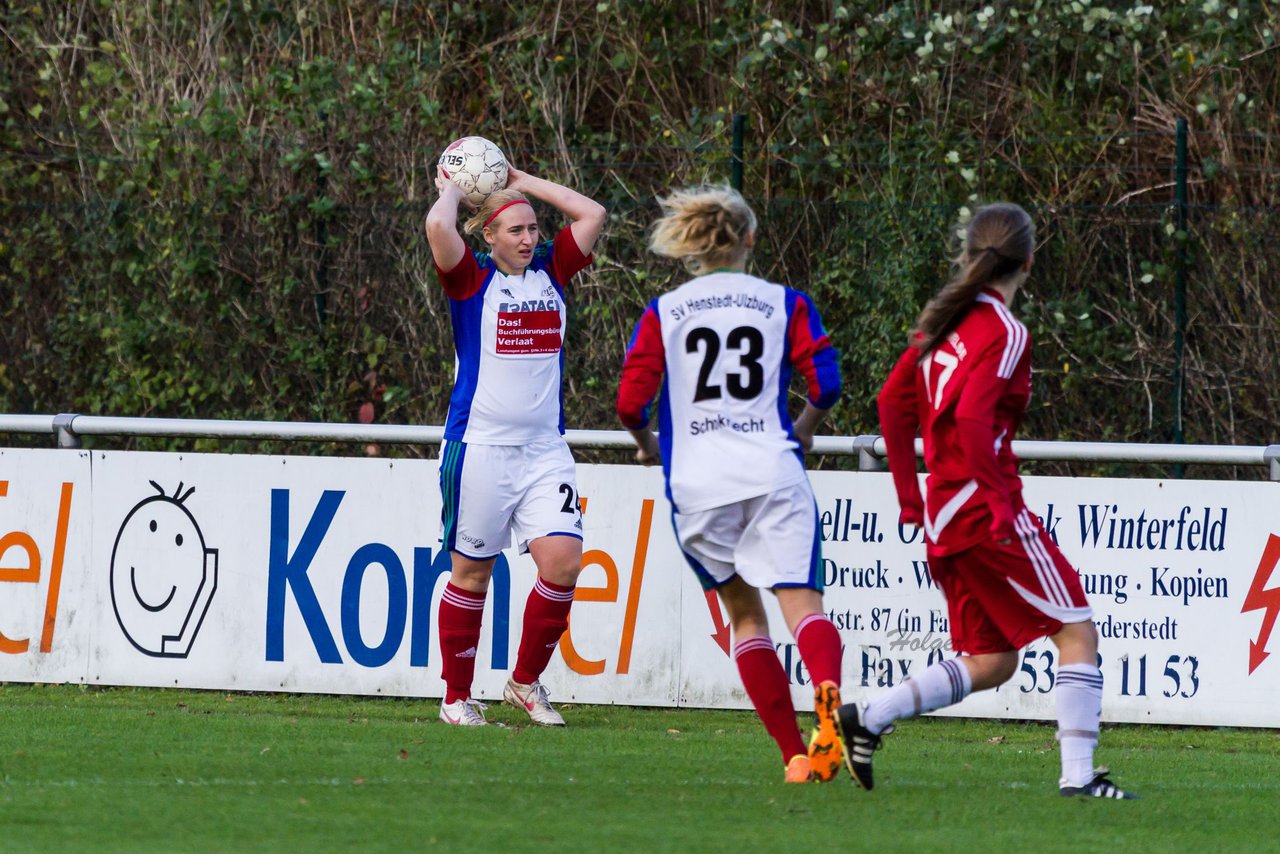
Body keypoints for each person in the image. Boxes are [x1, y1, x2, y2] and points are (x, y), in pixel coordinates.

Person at [838, 202, 1135, 798]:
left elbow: (892, 402)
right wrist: (999, 507)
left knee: (993, 660)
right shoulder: (1005, 330)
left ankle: (868, 718)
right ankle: (1079, 778)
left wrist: (908, 496)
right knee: (1077, 632)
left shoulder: (941, 326)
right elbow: (973, 420)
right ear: (1029, 260)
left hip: (947, 517)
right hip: (985, 511)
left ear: (970, 252)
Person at [616, 186, 846, 784]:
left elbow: (629, 402)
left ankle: (796, 757)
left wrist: (650, 448)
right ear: (749, 239)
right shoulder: (782, 303)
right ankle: (830, 720)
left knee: (745, 618)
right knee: (804, 609)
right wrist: (804, 430)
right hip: (771, 471)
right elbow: (825, 381)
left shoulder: (665, 312)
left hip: (697, 485)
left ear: (693, 244)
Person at [423, 159, 606, 726]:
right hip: (479, 448)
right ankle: (457, 697)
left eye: (533, 229)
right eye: (516, 230)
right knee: (472, 574)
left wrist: (524, 185)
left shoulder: (552, 271)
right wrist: (455, 190)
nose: (529, 239)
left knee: (563, 564)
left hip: (545, 450)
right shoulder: (471, 281)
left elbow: (592, 213)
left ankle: (524, 684)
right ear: (489, 235)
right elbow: (437, 227)